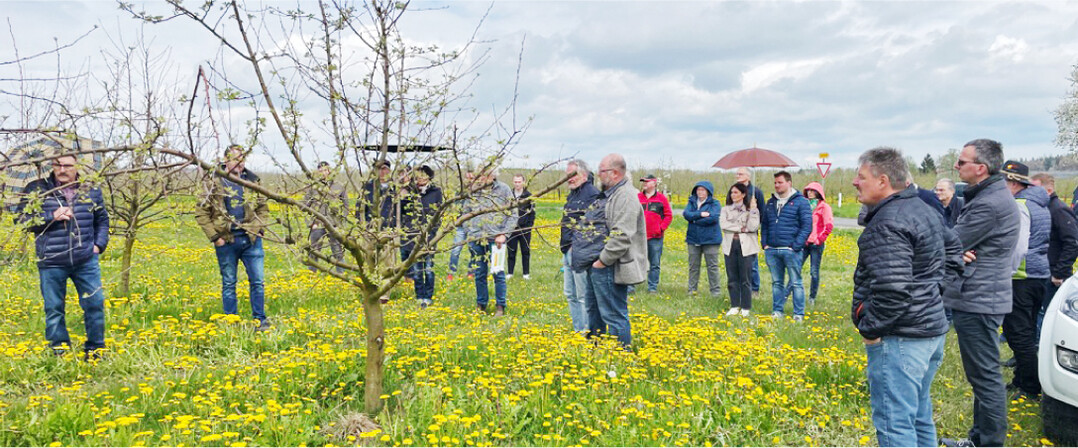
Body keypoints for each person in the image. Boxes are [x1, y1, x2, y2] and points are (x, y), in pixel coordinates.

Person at [851, 147, 959, 447]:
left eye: (861, 177)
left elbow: (892, 290)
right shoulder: (922, 209)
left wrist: (870, 328)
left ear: (882, 181)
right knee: (919, 415)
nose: (855, 182)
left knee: (895, 423)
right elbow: (954, 252)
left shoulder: (888, 222)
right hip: (929, 331)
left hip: (902, 337)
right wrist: (931, 292)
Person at [939, 139, 1021, 448]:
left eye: (962, 162)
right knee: (982, 377)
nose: (956, 166)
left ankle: (988, 443)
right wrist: (955, 251)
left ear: (981, 168)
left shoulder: (990, 203)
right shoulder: (989, 195)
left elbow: (949, 242)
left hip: (979, 299)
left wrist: (953, 250)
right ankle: (979, 439)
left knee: (985, 378)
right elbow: (955, 246)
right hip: (981, 296)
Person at [16, 154, 110, 358]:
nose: (62, 169)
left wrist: (98, 245)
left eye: (67, 165)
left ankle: (95, 349)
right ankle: (60, 351)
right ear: (52, 166)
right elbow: (21, 220)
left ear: (77, 166)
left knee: (95, 304)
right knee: (54, 308)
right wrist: (51, 216)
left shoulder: (90, 189)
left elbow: (102, 220)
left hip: (85, 259)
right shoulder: (37, 189)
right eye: (57, 165)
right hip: (51, 260)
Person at [571, 154, 647, 348]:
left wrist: (602, 261)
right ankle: (595, 352)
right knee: (594, 312)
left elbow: (622, 235)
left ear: (614, 173)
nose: (598, 174)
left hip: (611, 265)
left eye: (602, 171)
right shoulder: (611, 193)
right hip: (599, 264)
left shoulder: (626, 196)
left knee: (613, 315)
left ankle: (620, 357)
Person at [195, 144, 272, 331]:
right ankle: (232, 323)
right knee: (229, 283)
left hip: (251, 239)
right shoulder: (213, 181)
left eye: (242, 158)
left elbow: (263, 209)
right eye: (235, 159)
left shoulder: (252, 181)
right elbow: (201, 212)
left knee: (257, 282)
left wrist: (259, 229)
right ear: (226, 160)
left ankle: (260, 321)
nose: (240, 162)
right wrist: (215, 237)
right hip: (226, 240)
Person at [1000, 160, 1050, 400]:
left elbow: (1018, 247)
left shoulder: (1019, 206)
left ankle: (1029, 386)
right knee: (1027, 331)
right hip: (1038, 275)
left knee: (1017, 333)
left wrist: (1005, 272)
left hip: (1020, 276)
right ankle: (1021, 379)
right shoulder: (1039, 204)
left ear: (1013, 183)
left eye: (1003, 181)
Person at [463, 167, 517, 316]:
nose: (482, 177)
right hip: (476, 239)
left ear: (493, 176)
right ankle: (481, 304)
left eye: (486, 174)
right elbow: (465, 213)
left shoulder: (504, 190)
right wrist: (470, 232)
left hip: (496, 239)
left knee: (498, 273)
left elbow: (513, 214)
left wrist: (504, 234)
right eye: (480, 174)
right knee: (479, 273)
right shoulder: (473, 191)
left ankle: (500, 306)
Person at [1031, 173, 1078, 336]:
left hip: (1054, 274)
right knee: (1037, 312)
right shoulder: (1042, 209)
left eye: (1034, 188)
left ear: (1049, 190)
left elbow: (1072, 242)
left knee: (1048, 315)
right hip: (1042, 270)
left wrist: (1059, 272)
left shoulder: (1059, 210)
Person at [761, 171, 812, 321]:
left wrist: (795, 246)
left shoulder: (801, 202)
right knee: (777, 283)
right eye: (775, 183)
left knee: (796, 282)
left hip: (791, 250)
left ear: (789, 183)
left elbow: (807, 226)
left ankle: (798, 314)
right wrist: (765, 244)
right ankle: (777, 311)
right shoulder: (771, 202)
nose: (777, 185)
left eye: (780, 182)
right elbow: (765, 225)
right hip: (772, 249)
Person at [560, 159, 599, 333]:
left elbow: (594, 226)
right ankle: (578, 330)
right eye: (567, 175)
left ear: (583, 174)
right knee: (570, 293)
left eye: (572, 175)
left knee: (583, 295)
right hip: (567, 250)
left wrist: (577, 246)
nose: (569, 178)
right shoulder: (573, 194)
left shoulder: (592, 194)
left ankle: (587, 332)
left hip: (580, 252)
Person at [402, 165, 443, 308]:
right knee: (417, 270)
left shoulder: (436, 192)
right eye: (418, 175)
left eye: (424, 175)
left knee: (429, 269)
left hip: (429, 236)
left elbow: (438, 214)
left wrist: (432, 233)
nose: (420, 178)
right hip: (413, 236)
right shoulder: (410, 191)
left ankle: (428, 296)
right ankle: (419, 296)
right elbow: (404, 212)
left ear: (429, 177)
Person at [720, 183, 760, 316]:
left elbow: (753, 227)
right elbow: (723, 224)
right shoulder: (725, 209)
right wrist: (741, 228)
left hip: (746, 247)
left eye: (736, 192)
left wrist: (753, 211)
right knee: (732, 277)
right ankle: (734, 305)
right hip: (730, 245)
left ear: (743, 194)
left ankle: (746, 306)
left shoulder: (751, 210)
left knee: (745, 277)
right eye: (732, 192)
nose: (733, 195)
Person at [302, 161, 348, 272]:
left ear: (329, 171)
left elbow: (346, 206)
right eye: (320, 171)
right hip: (318, 224)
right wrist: (311, 223)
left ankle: (341, 274)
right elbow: (304, 206)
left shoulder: (339, 186)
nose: (323, 173)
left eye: (325, 170)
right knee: (314, 251)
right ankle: (311, 274)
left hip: (334, 224)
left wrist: (341, 223)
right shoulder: (313, 187)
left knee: (337, 250)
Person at [683, 181, 723, 297]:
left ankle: (715, 292)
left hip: (711, 240)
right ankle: (692, 290)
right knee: (693, 266)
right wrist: (700, 215)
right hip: (693, 239)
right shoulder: (691, 202)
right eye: (698, 190)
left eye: (703, 190)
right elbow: (686, 214)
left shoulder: (715, 203)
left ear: (708, 192)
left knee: (712, 267)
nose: (700, 192)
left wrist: (694, 220)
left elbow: (713, 218)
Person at [637, 174, 673, 293]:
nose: (644, 183)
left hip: (655, 237)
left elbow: (668, 216)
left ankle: (652, 287)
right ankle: (631, 286)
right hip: (639, 236)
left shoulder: (661, 198)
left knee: (655, 264)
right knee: (635, 261)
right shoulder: (637, 198)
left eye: (647, 181)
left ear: (654, 183)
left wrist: (660, 228)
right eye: (643, 181)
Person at [733, 167, 766, 296]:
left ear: (748, 176)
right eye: (737, 174)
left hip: (750, 233)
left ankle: (754, 289)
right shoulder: (734, 191)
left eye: (740, 174)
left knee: (751, 264)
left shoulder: (756, 192)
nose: (737, 176)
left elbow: (762, 214)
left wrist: (753, 210)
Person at [799, 182, 833, 306]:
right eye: (808, 190)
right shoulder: (804, 205)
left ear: (818, 193)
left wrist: (819, 239)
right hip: (804, 243)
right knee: (796, 268)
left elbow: (828, 225)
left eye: (812, 191)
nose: (810, 193)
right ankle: (787, 294)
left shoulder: (824, 207)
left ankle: (812, 297)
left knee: (814, 272)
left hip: (816, 245)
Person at [447, 168, 476, 281]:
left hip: (473, 226)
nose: (469, 180)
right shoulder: (459, 192)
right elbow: (455, 207)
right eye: (467, 178)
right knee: (455, 250)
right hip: (460, 226)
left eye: (471, 178)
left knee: (474, 250)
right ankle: (451, 273)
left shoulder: (478, 192)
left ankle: (471, 272)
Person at [506, 173, 534, 280]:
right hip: (512, 229)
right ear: (513, 182)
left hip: (525, 229)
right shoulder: (509, 195)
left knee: (525, 251)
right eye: (515, 182)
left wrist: (529, 226)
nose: (517, 184)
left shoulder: (529, 196)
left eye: (519, 182)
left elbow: (532, 213)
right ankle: (510, 273)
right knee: (511, 251)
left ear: (523, 182)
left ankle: (526, 274)